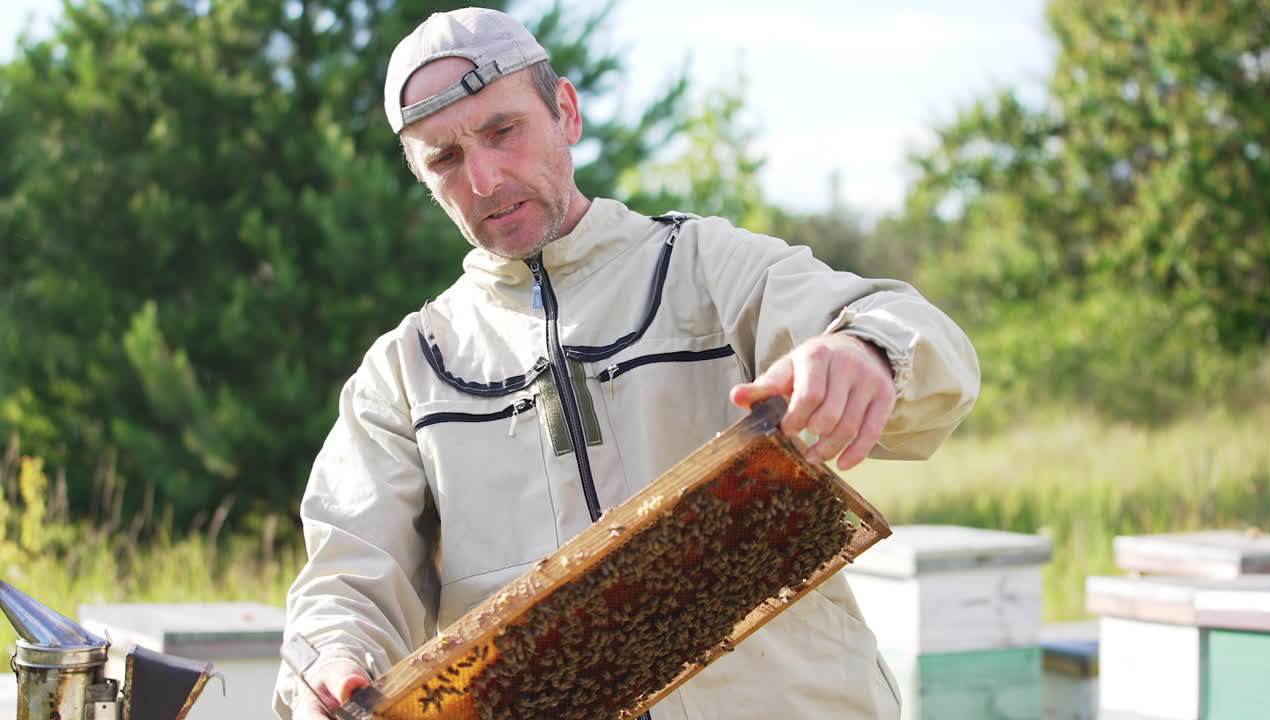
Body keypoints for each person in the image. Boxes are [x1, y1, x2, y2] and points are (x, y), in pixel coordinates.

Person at [273, 7, 979, 720]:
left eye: (502, 131)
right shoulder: (406, 370)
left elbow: (915, 333)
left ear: (566, 113)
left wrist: (865, 352)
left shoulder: (705, 268)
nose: (484, 178)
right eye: (445, 158)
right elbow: (348, 576)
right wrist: (334, 661)